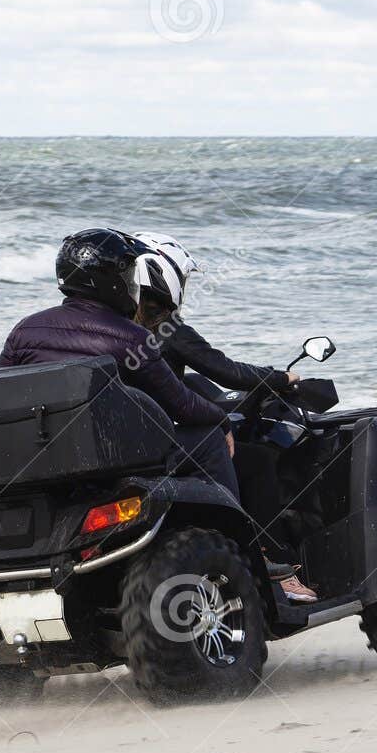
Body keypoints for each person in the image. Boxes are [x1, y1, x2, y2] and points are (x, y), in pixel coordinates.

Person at [131, 232, 318, 603]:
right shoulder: (166, 329)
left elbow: (178, 382)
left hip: (127, 445)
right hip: (163, 449)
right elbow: (226, 370)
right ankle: (270, 560)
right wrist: (281, 377)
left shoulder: (112, 328)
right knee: (259, 462)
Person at [0, 227, 237, 500]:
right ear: (110, 281)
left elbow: (3, 395)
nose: (131, 283)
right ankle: (232, 529)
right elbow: (183, 406)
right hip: (110, 458)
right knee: (210, 440)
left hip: (42, 456)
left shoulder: (25, 329)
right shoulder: (133, 337)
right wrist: (222, 420)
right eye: (127, 275)